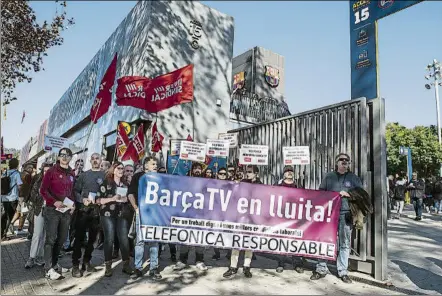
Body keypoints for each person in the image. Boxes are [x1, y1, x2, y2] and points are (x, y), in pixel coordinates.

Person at [310, 153, 362, 284]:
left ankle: (343, 271)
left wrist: (349, 194)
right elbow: (321, 192)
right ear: (337, 162)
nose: (344, 162)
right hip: (330, 215)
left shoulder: (354, 178)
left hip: (346, 214)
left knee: (344, 244)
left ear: (349, 163)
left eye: (347, 160)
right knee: (325, 241)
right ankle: (321, 268)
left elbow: (362, 195)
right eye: (341, 160)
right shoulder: (329, 176)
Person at [40, 148, 76, 280]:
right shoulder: (51, 171)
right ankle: (48, 269)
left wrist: (73, 206)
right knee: (51, 239)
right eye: (62, 155)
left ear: (71, 157)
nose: (65, 157)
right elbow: (43, 190)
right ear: (59, 157)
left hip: (66, 211)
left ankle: (54, 265)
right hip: (52, 211)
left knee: (61, 240)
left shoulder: (72, 173)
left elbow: (71, 192)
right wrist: (54, 202)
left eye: (67, 155)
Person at [96, 161, 133, 277]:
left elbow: (130, 198)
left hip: (121, 214)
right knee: (109, 239)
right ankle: (108, 266)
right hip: (107, 214)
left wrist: (125, 199)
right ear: (113, 169)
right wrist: (112, 198)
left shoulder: (125, 184)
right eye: (119, 168)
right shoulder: (106, 183)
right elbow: (98, 200)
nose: (121, 170)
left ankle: (126, 265)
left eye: (122, 169)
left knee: (124, 239)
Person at [128, 157, 162, 280]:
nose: (155, 165)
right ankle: (138, 268)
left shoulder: (161, 178)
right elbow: (131, 193)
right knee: (140, 241)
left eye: (156, 164)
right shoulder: (138, 177)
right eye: (153, 164)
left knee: (154, 241)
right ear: (145, 166)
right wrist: (136, 208)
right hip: (141, 213)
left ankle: (154, 268)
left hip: (155, 214)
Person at [71, 153, 104, 277]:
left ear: (101, 160)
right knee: (79, 238)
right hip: (83, 211)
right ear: (90, 161)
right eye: (93, 158)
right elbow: (75, 191)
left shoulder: (105, 175)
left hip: (97, 212)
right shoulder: (84, 175)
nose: (95, 160)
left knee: (93, 239)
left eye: (97, 158)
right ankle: (75, 265)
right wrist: (82, 199)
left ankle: (87, 261)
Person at [175, 163, 208, 271]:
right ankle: (182, 260)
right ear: (192, 169)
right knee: (185, 236)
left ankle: (199, 260)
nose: (197, 170)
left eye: (199, 168)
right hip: (188, 213)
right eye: (195, 168)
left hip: (201, 214)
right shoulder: (186, 180)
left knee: (199, 238)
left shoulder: (207, 181)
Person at [274, 165, 305, 274]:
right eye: (287, 171)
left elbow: (305, 199)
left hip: (295, 218)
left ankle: (297, 264)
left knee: (296, 240)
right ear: (283, 173)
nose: (289, 172)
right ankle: (281, 264)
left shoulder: (298, 185)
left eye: (291, 171)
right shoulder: (278, 185)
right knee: (282, 240)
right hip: (282, 217)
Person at [25, 162, 52, 269]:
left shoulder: (55, 182)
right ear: (42, 171)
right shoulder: (38, 181)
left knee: (45, 235)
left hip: (51, 211)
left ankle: (40, 256)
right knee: (37, 234)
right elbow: (32, 196)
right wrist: (42, 195)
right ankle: (31, 257)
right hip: (39, 209)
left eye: (49, 171)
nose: (47, 173)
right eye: (45, 171)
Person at [1, 158, 23, 239]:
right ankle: (3, 235)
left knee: (5, 215)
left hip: (4, 197)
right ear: (16, 165)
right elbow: (19, 185)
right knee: (9, 217)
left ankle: (1, 233)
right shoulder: (17, 174)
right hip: (13, 198)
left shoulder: (5, 172)